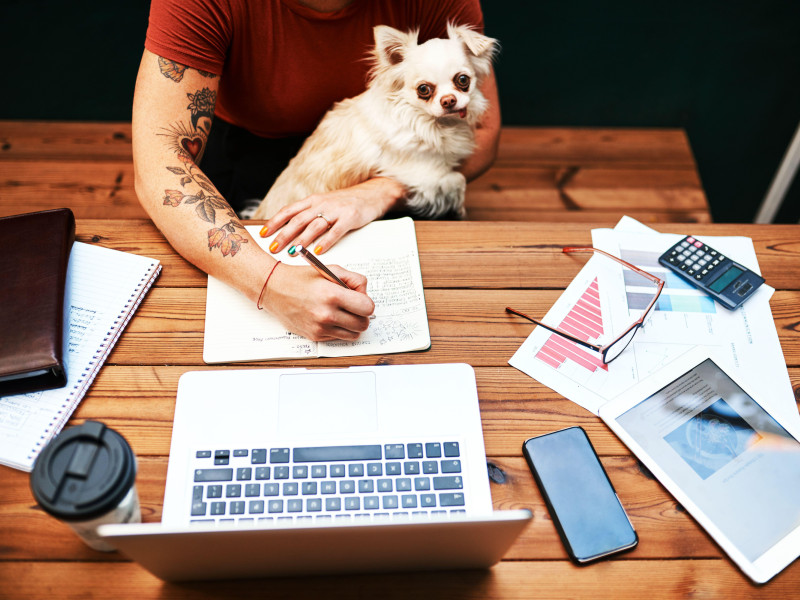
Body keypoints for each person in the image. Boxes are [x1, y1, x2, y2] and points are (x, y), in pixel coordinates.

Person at [133, 0, 500, 342]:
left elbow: (482, 131)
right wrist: (270, 284)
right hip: (251, 155)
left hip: (412, 161)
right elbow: (158, 161)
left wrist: (382, 190)